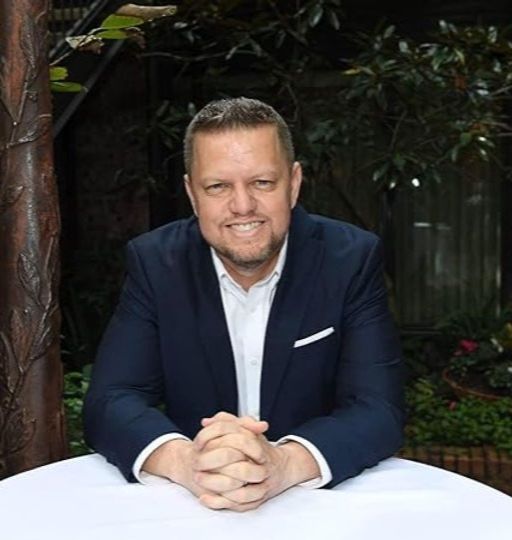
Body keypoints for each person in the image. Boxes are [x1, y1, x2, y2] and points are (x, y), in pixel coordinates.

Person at [83, 97, 404, 512]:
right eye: (218, 187)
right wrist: (187, 462)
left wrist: (284, 464)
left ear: (294, 183)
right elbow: (111, 399)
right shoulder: (156, 264)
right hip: (195, 508)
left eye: (262, 183)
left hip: (319, 508)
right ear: (192, 194)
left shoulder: (349, 260)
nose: (242, 206)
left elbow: (378, 408)